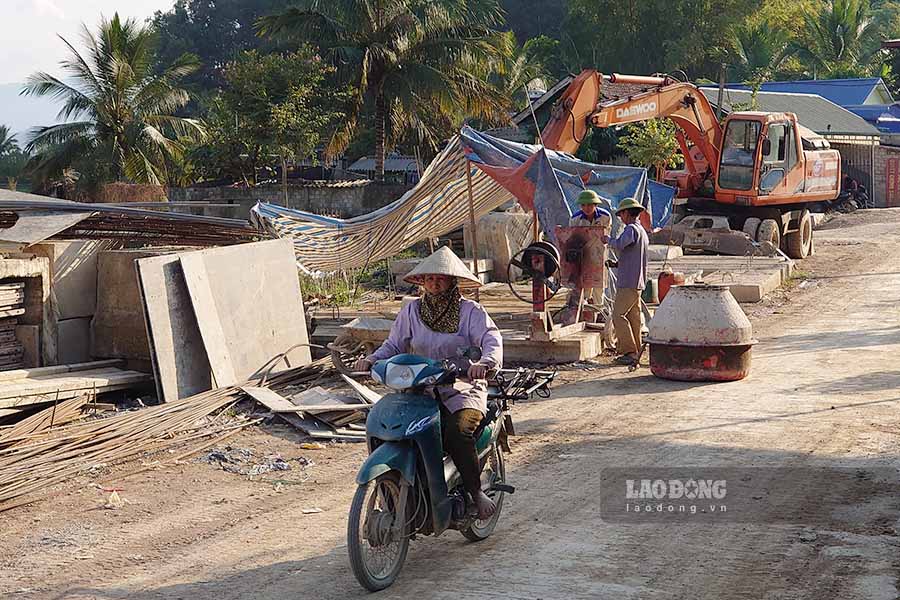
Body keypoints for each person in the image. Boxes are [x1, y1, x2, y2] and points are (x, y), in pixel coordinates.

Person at [353, 246, 503, 520]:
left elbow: (491, 340)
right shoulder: (412, 311)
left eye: (441, 278)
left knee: (457, 432)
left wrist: (485, 364)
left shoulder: (470, 311)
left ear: (451, 281)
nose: (434, 283)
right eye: (430, 278)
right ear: (422, 282)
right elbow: (393, 344)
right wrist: (371, 359)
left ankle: (474, 491)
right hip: (419, 390)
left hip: (460, 388)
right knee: (395, 428)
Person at [601, 197, 649, 366]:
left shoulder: (631, 229)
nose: (620, 218)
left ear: (628, 213)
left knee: (618, 315)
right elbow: (632, 255)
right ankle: (636, 350)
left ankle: (628, 352)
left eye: (621, 214)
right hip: (637, 281)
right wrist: (616, 264)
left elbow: (620, 244)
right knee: (633, 316)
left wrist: (608, 240)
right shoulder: (641, 231)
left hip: (628, 282)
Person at [564, 190, 611, 315]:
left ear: (595, 205)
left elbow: (606, 235)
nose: (587, 208)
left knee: (598, 286)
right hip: (582, 256)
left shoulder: (605, 217)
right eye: (584, 205)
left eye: (590, 205)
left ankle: (598, 312)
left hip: (599, 255)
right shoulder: (575, 219)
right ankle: (582, 312)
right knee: (583, 284)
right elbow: (572, 238)